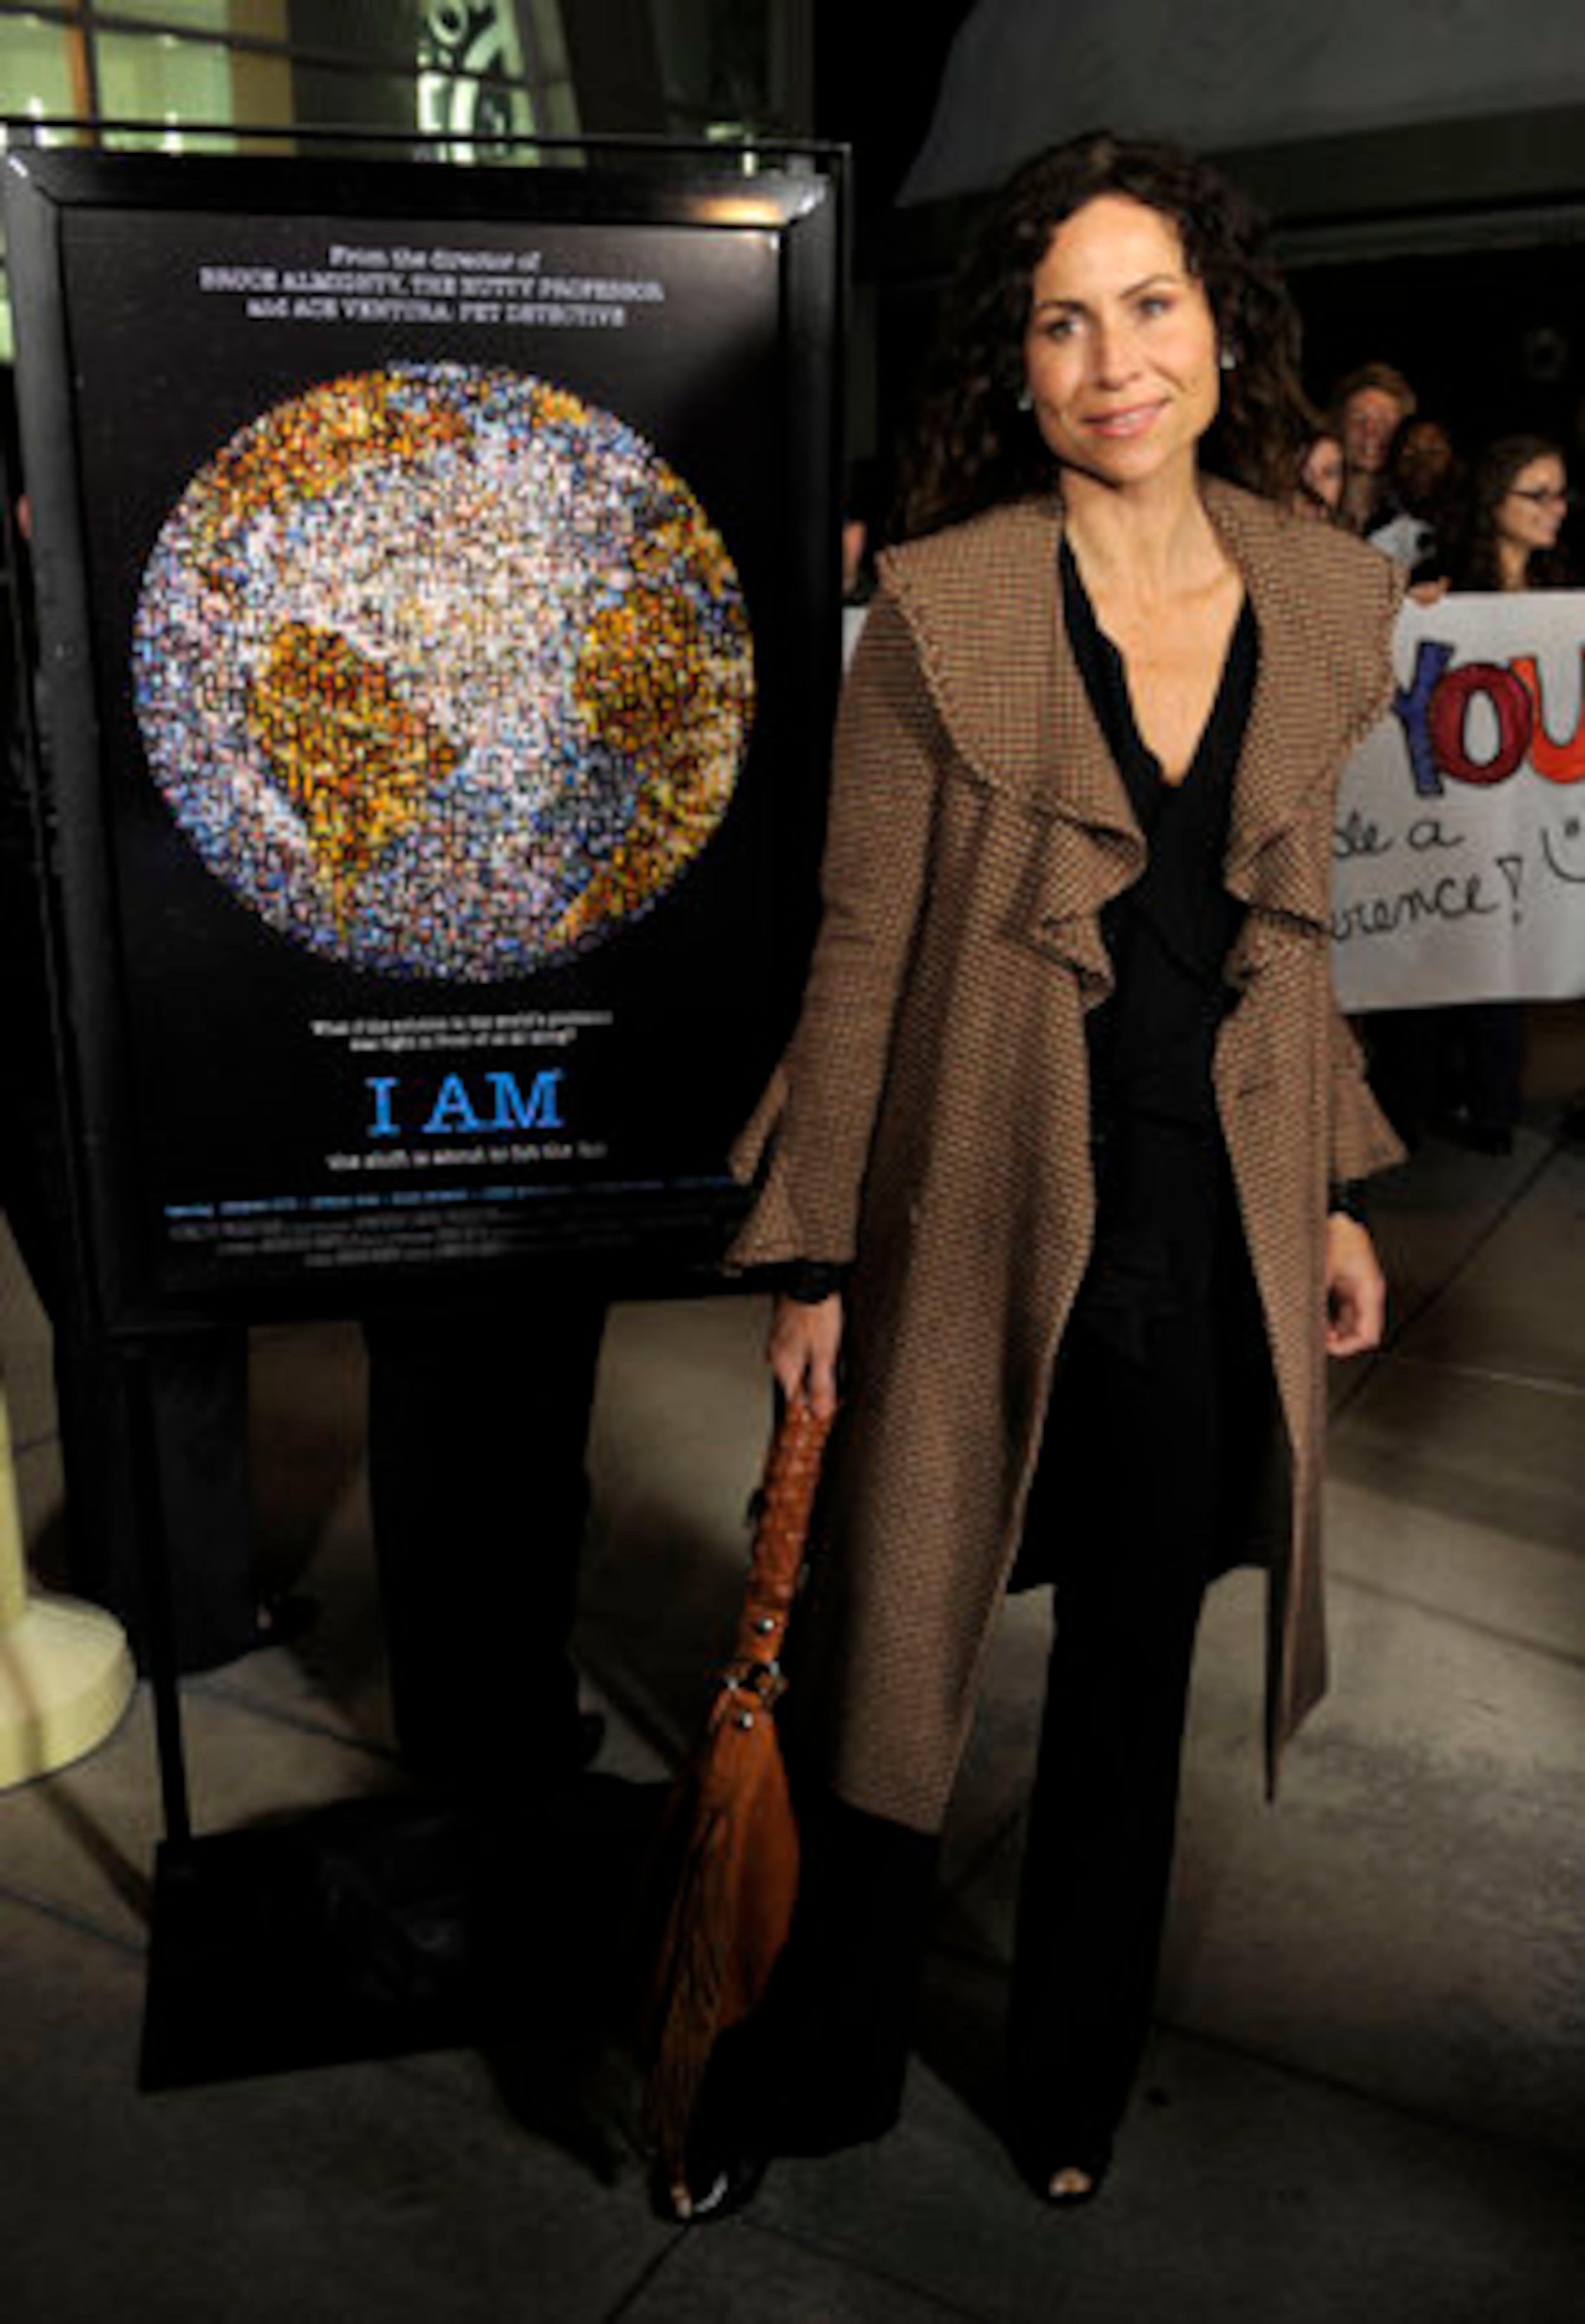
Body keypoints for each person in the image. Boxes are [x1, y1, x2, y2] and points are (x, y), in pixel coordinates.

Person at [673, 130, 1405, 2220]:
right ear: (1016, 364)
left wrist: (1340, 1186)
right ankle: (821, 2068)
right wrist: (813, 1246)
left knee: (1134, 1675)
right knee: (892, 1658)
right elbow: (859, 937)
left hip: (1209, 1217)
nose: (1111, 357)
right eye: (1062, 318)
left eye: (1150, 304)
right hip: (974, 1200)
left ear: (1219, 325)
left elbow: (1301, 928)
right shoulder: (945, 604)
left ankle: (1074, 2078)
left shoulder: (1328, 599)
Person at [1432, 433, 1574, 1152]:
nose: (1557, 508)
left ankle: (1492, 1099)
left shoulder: (1567, 588)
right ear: (1495, 502)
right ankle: (1479, 1101)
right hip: (1470, 811)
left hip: (1548, 810)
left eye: (1560, 493)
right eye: (1539, 494)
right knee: (1479, 951)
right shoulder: (1447, 587)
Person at [1329, 360, 1417, 537]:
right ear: (1339, 426)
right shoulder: (1311, 511)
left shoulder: (1415, 524)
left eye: (1384, 422)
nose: (1371, 432)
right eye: (1359, 419)